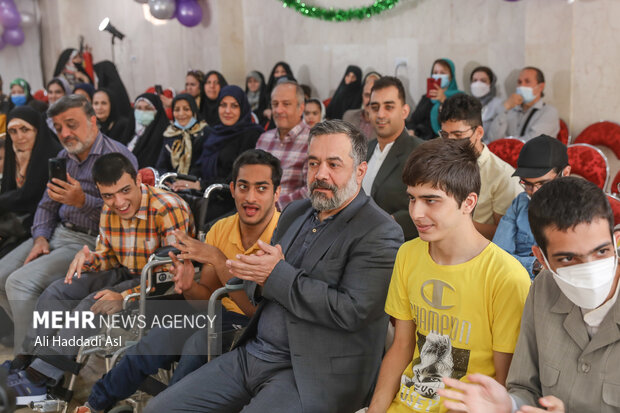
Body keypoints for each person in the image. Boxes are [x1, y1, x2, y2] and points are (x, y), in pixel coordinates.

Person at [145, 119, 403, 413]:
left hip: (313, 372)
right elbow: (260, 285)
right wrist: (247, 271)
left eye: (334, 165)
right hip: (255, 352)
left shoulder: (378, 230)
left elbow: (352, 311)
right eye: (313, 163)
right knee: (159, 409)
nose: (320, 174)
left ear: (360, 171)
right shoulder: (296, 212)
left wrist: (277, 274)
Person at [73, 149, 282, 413]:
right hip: (218, 315)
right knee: (157, 338)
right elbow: (207, 300)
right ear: (232, 189)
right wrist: (188, 286)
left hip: (259, 327)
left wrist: (218, 260)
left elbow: (259, 311)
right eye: (244, 187)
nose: (250, 197)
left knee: (198, 343)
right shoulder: (221, 228)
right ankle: (95, 404)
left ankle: (168, 407)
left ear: (277, 193)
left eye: (261, 188)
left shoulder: (285, 234)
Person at [7, 152, 193, 399]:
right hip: (125, 269)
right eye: (108, 195)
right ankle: (29, 359)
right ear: (100, 191)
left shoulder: (168, 208)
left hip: (158, 283)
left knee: (93, 304)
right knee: (57, 290)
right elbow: (109, 256)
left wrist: (124, 297)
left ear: (139, 180)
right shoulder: (109, 209)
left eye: (125, 190)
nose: (118, 202)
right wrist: (91, 259)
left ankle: (38, 376)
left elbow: (169, 276)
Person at [367, 138, 531, 413]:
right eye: (412, 198)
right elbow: (401, 348)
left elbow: (503, 383)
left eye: (431, 200)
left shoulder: (506, 276)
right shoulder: (408, 254)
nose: (416, 213)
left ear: (468, 203)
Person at [438, 177, 620, 413]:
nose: (589, 268)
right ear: (542, 259)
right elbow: (525, 387)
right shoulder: (544, 287)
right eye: (568, 259)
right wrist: (509, 405)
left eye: (601, 251)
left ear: (616, 241)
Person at [0, 94, 137, 354]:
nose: (65, 133)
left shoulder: (116, 157)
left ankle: (30, 361)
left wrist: (82, 200)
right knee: (1, 277)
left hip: (92, 241)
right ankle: (40, 347)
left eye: (72, 124)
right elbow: (47, 204)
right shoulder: (65, 157)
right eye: (59, 127)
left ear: (93, 121)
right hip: (57, 233)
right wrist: (40, 238)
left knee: (19, 283)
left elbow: (125, 217)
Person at [439, 94, 522, 240]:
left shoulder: (502, 175)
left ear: (479, 132)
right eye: (445, 135)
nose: (450, 143)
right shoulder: (440, 162)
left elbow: (505, 234)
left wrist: (457, 221)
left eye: (458, 135)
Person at [493, 135, 570, 279]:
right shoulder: (520, 203)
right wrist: (536, 265)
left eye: (542, 184)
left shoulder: (581, 208)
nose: (534, 192)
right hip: (515, 282)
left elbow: (567, 269)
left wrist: (520, 262)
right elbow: (498, 256)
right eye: (527, 184)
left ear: (565, 173)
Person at [364, 76, 423, 240]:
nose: (380, 114)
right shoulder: (364, 150)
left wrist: (390, 223)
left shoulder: (420, 152)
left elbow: (430, 205)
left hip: (397, 244)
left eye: (389, 107)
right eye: (375, 107)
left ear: (405, 111)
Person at [0, 107, 62, 257]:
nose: (19, 137)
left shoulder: (53, 154)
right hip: (14, 225)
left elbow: (30, 196)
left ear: (36, 130)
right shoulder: (13, 152)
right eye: (13, 131)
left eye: (25, 129)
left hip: (44, 228)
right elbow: (9, 192)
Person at [255, 80, 309, 210]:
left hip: (291, 219)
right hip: (255, 213)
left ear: (301, 108)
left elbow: (312, 190)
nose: (279, 110)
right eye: (275, 104)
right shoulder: (264, 139)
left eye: (286, 104)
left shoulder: (313, 141)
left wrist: (273, 207)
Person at [487, 66, 560, 142]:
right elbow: (493, 139)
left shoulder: (549, 112)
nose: (522, 86)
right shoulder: (509, 109)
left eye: (527, 81)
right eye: (519, 82)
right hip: (503, 153)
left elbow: (533, 142)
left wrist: (505, 144)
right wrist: (505, 109)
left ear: (540, 87)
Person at [407, 58, 463, 140]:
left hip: (446, 143)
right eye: (435, 72)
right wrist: (411, 131)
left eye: (442, 73)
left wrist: (443, 99)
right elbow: (413, 121)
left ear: (451, 77)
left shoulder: (459, 97)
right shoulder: (427, 97)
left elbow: (458, 122)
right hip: (422, 142)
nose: (438, 75)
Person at [155, 93, 208, 176]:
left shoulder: (205, 132)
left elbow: (204, 165)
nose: (181, 114)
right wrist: (169, 181)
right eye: (177, 110)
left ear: (194, 111)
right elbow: (161, 165)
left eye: (186, 109)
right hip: (173, 183)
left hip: (197, 183)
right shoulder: (170, 133)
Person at [127, 93, 169, 168]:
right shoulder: (130, 131)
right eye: (139, 108)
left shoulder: (163, 134)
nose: (142, 112)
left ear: (157, 111)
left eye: (148, 108)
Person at [468, 66, 504, 142]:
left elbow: (497, 135)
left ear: (491, 84)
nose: (478, 84)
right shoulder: (465, 105)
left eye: (483, 81)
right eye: (475, 80)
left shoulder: (498, 104)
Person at [343, 71, 381, 141]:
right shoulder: (348, 117)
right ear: (362, 96)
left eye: (374, 96)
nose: (370, 101)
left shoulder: (385, 123)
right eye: (367, 95)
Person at [264, 62, 296, 128]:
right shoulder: (267, 91)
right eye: (277, 72)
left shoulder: (295, 90)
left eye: (283, 72)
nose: (280, 74)